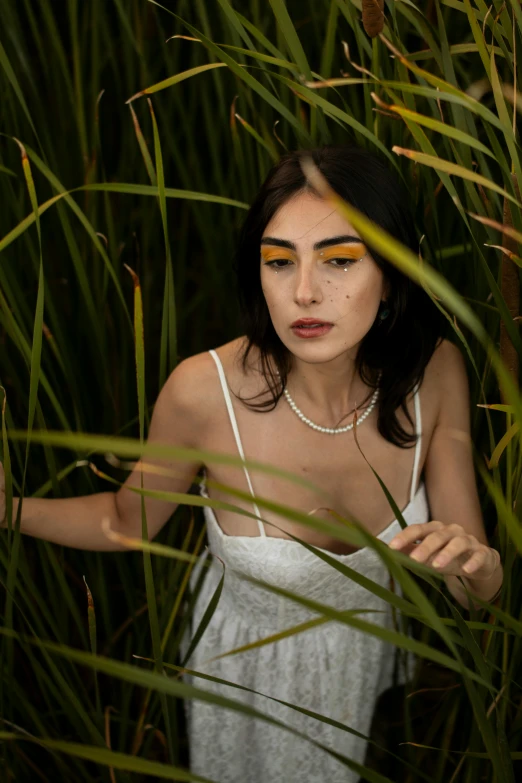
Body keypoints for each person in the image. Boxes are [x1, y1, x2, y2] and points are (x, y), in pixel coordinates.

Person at [0, 145, 503, 783]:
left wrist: (483, 571)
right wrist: (6, 509)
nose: (304, 292)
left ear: (394, 275)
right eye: (278, 261)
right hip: (244, 679)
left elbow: (470, 588)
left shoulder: (435, 371)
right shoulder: (202, 393)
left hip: (365, 659)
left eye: (340, 260)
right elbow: (127, 519)